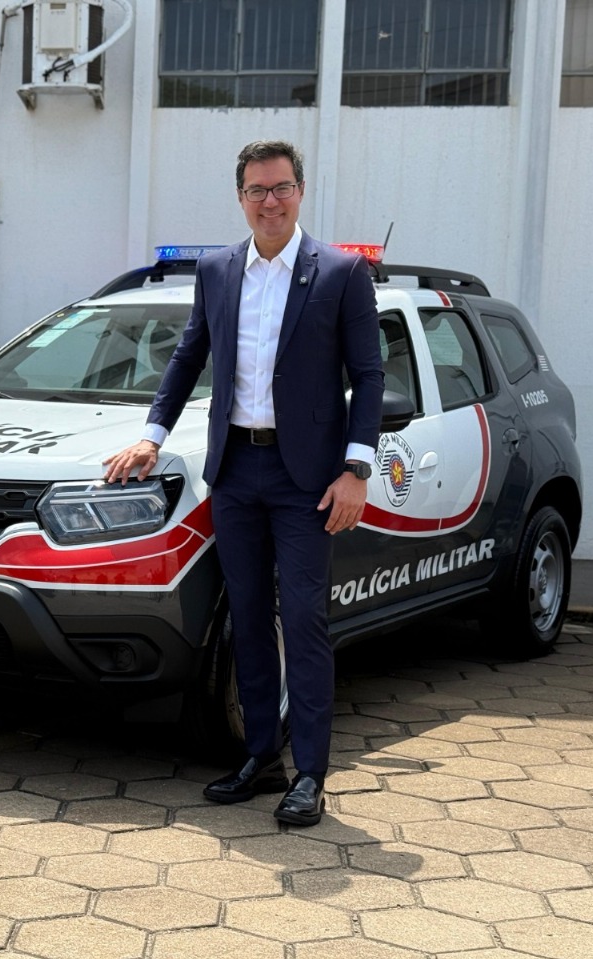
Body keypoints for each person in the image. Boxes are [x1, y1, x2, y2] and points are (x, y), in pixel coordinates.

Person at [103, 140, 383, 826]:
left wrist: (356, 469)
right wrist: (153, 432)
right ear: (240, 197)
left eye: (282, 187)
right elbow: (189, 354)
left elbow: (369, 376)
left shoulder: (341, 273)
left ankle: (311, 774)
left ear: (301, 191)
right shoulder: (219, 270)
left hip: (307, 480)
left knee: (305, 622)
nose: (270, 201)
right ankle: (263, 758)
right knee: (250, 620)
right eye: (258, 190)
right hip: (235, 471)